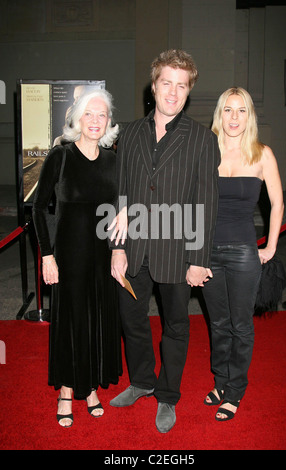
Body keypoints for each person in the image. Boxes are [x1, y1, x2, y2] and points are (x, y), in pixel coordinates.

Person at [109, 49, 220, 433]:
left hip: (177, 252)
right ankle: (141, 380)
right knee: (132, 319)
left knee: (176, 325)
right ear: (153, 86)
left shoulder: (202, 139)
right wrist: (117, 248)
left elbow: (206, 203)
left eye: (181, 86)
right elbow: (121, 192)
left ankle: (167, 396)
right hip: (134, 246)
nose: (172, 93)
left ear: (188, 92)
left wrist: (198, 258)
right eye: (166, 84)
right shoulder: (132, 132)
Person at [33, 89, 122, 427]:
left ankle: (91, 388)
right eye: (89, 114)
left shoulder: (115, 161)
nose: (96, 121)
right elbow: (39, 208)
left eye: (102, 115)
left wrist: (118, 250)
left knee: (97, 318)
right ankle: (68, 389)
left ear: (109, 122)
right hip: (68, 255)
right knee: (72, 321)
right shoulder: (61, 156)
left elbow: (120, 212)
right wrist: (48, 256)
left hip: (102, 256)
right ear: (78, 119)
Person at [202, 87, 284, 421]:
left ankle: (235, 390)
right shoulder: (206, 151)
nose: (234, 118)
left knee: (240, 325)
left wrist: (271, 246)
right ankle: (222, 382)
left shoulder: (262, 154)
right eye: (228, 110)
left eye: (242, 111)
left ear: (249, 116)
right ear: (219, 114)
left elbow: (277, 203)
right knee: (217, 324)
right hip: (207, 252)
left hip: (243, 254)